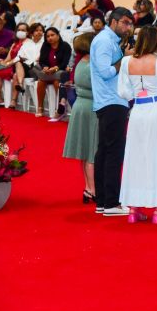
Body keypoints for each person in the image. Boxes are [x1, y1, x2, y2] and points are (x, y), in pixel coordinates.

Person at [117, 26, 157, 224]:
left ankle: (134, 209)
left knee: (136, 157)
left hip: (138, 110)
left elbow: (123, 92)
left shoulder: (127, 61)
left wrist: (138, 95)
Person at [90, 7, 135, 216]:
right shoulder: (104, 41)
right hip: (111, 100)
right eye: (125, 23)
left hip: (111, 100)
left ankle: (102, 202)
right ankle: (111, 203)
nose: (128, 27)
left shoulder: (110, 41)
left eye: (130, 24)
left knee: (105, 151)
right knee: (113, 153)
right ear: (114, 21)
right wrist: (124, 59)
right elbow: (106, 72)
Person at [62, 33, 98, 205]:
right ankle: (94, 190)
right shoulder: (92, 64)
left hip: (80, 106)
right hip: (91, 106)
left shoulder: (79, 63)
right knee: (92, 151)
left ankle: (87, 188)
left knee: (85, 152)